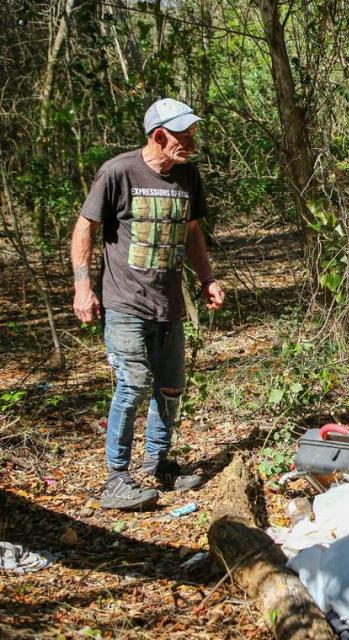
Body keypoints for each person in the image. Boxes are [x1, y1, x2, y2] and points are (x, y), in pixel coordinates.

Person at [71, 98, 226, 510]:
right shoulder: (118, 172)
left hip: (169, 305)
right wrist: (82, 287)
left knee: (170, 387)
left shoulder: (188, 176)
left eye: (192, 133)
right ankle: (116, 479)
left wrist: (207, 278)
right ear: (160, 135)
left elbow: (193, 233)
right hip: (125, 304)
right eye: (184, 135)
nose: (191, 142)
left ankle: (159, 464)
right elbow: (84, 229)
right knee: (133, 385)